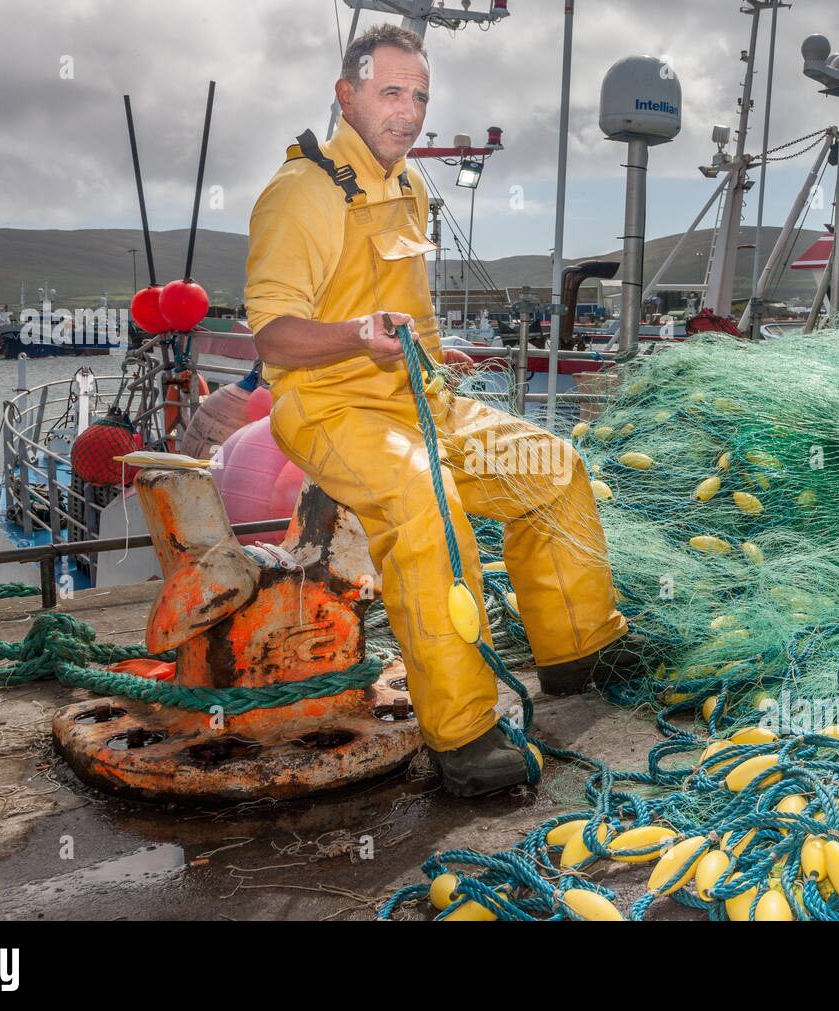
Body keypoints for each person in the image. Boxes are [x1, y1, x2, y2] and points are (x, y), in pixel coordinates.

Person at [245, 24, 632, 798]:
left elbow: (405, 315)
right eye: (392, 92)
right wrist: (358, 336)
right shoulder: (301, 194)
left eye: (420, 95)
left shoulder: (412, 188)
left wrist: (434, 350)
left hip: (420, 398)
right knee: (429, 503)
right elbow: (275, 335)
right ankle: (465, 734)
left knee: (555, 470)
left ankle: (578, 651)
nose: (410, 110)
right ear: (346, 94)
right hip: (331, 408)